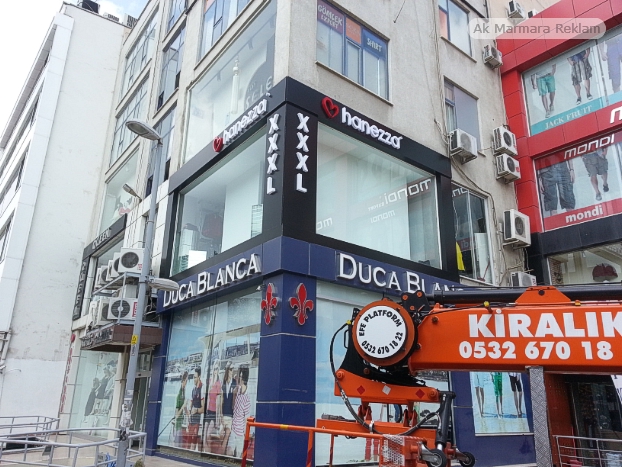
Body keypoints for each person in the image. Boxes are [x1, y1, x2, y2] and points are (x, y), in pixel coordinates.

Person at [230, 366, 251, 457]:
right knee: (229, 452)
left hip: (240, 431)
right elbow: (233, 407)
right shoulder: (237, 390)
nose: (238, 378)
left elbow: (247, 417)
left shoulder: (247, 396)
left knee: (238, 455)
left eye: (240, 376)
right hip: (233, 428)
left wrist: (246, 434)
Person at [220, 363, 237, 454]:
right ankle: (221, 453)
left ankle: (222, 455)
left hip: (230, 415)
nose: (232, 371)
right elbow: (221, 401)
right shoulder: (223, 383)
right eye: (230, 369)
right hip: (224, 415)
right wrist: (221, 415)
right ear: (227, 370)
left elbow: (235, 400)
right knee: (221, 435)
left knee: (226, 436)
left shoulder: (234, 382)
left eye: (232, 369)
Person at [204, 363, 222, 447]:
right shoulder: (210, 381)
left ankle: (208, 451)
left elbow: (218, 402)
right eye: (214, 368)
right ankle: (206, 451)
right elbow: (207, 397)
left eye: (217, 369)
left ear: (218, 370)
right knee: (204, 435)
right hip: (208, 411)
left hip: (214, 413)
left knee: (208, 435)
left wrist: (218, 418)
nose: (215, 370)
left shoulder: (218, 383)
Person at [188, 367, 205, 451]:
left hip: (198, 421)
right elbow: (190, 404)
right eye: (193, 377)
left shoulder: (202, 388)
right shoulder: (193, 389)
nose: (193, 379)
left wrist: (196, 410)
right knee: (190, 442)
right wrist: (189, 411)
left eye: (195, 377)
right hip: (191, 420)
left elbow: (203, 408)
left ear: (199, 377)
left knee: (194, 442)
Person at [174, 371, 189, 448]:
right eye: (186, 381)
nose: (187, 383)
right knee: (177, 445)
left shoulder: (183, 392)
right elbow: (177, 415)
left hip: (182, 423)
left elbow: (184, 407)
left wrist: (188, 414)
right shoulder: (179, 395)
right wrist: (183, 405)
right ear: (183, 381)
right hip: (178, 425)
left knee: (180, 445)